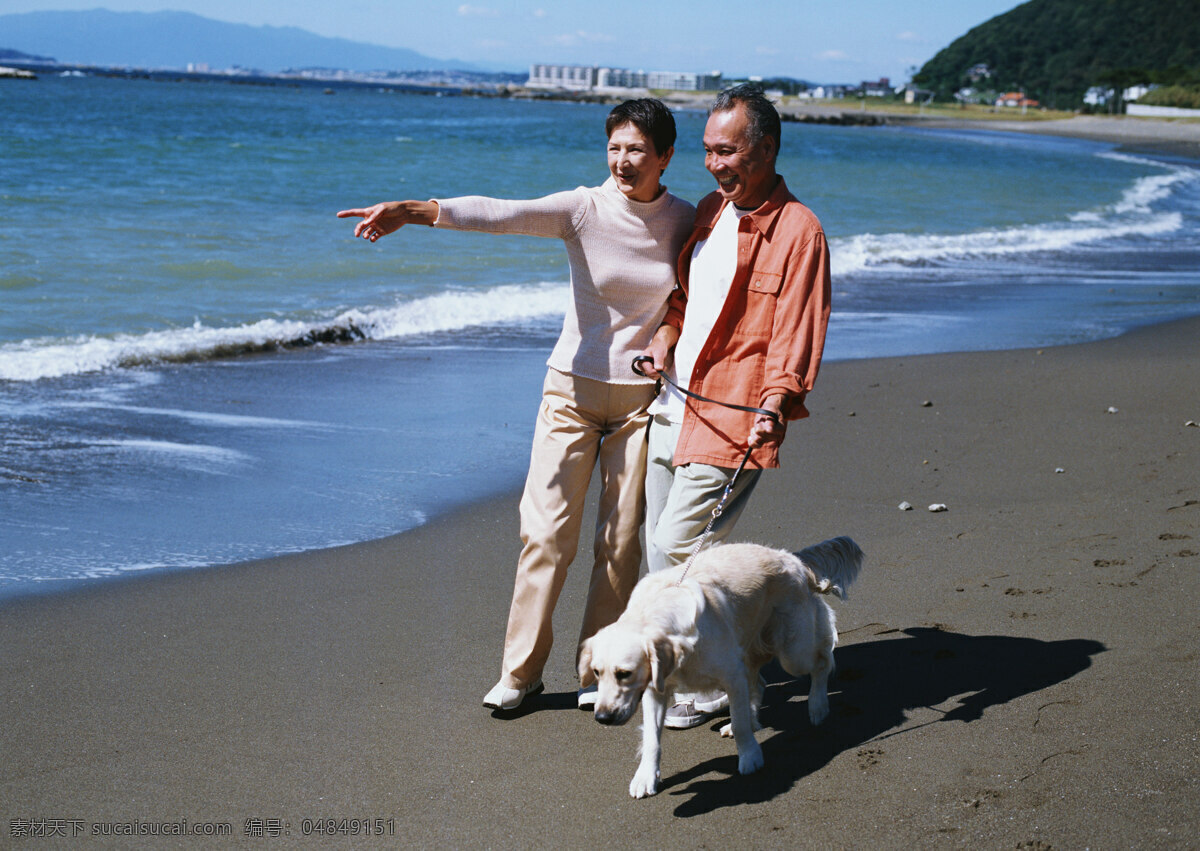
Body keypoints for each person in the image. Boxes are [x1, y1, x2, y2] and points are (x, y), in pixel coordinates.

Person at [337, 99, 695, 712]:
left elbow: (697, 294)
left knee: (622, 540)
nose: (622, 160)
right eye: (614, 147)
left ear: (665, 156)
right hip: (571, 394)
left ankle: (598, 669)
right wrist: (414, 212)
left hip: (640, 401)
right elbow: (503, 214)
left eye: (637, 149)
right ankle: (521, 672)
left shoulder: (687, 219)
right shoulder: (583, 208)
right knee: (546, 534)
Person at [638, 84, 832, 729]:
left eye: (728, 151)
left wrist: (778, 401)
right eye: (707, 151)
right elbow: (682, 303)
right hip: (673, 402)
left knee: (678, 550)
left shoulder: (799, 230)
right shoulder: (708, 212)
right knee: (659, 550)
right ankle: (709, 663)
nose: (715, 164)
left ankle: (720, 682)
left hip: (735, 414)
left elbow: (798, 328)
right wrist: (663, 344)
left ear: (766, 148)